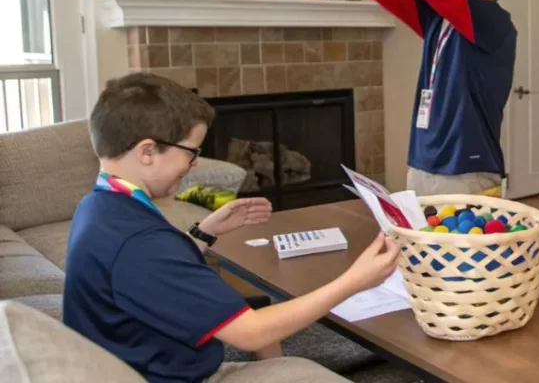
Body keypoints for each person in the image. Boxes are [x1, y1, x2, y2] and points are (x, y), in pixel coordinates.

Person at [63, 72, 401, 383]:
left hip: (147, 364)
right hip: (175, 377)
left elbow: (155, 278)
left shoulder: (100, 207)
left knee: (297, 370)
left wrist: (206, 231)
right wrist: (354, 281)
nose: (193, 165)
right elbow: (252, 333)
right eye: (191, 152)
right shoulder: (138, 242)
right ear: (147, 151)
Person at [334, 0, 518, 197]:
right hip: (422, 163)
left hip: (466, 167)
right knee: (420, 250)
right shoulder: (440, 17)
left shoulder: (493, 21)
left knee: (462, 251)